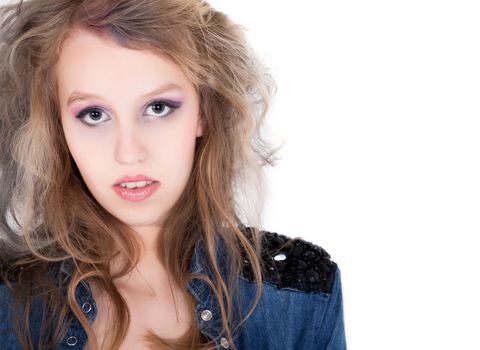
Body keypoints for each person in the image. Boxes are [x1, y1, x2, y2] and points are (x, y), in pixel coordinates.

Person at [0, 0, 347, 349]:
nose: (129, 153)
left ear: (203, 112)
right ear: (58, 126)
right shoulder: (7, 304)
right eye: (94, 115)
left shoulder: (298, 297)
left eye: (158, 107)